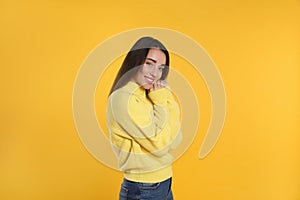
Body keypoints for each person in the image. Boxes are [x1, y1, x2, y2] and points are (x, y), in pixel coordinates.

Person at [106, 36, 182, 200]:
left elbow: (176, 139)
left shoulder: (150, 94)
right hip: (144, 188)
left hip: (163, 182)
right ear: (136, 61)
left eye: (161, 68)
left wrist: (166, 96)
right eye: (149, 63)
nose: (155, 74)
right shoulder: (124, 98)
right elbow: (160, 147)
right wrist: (162, 99)